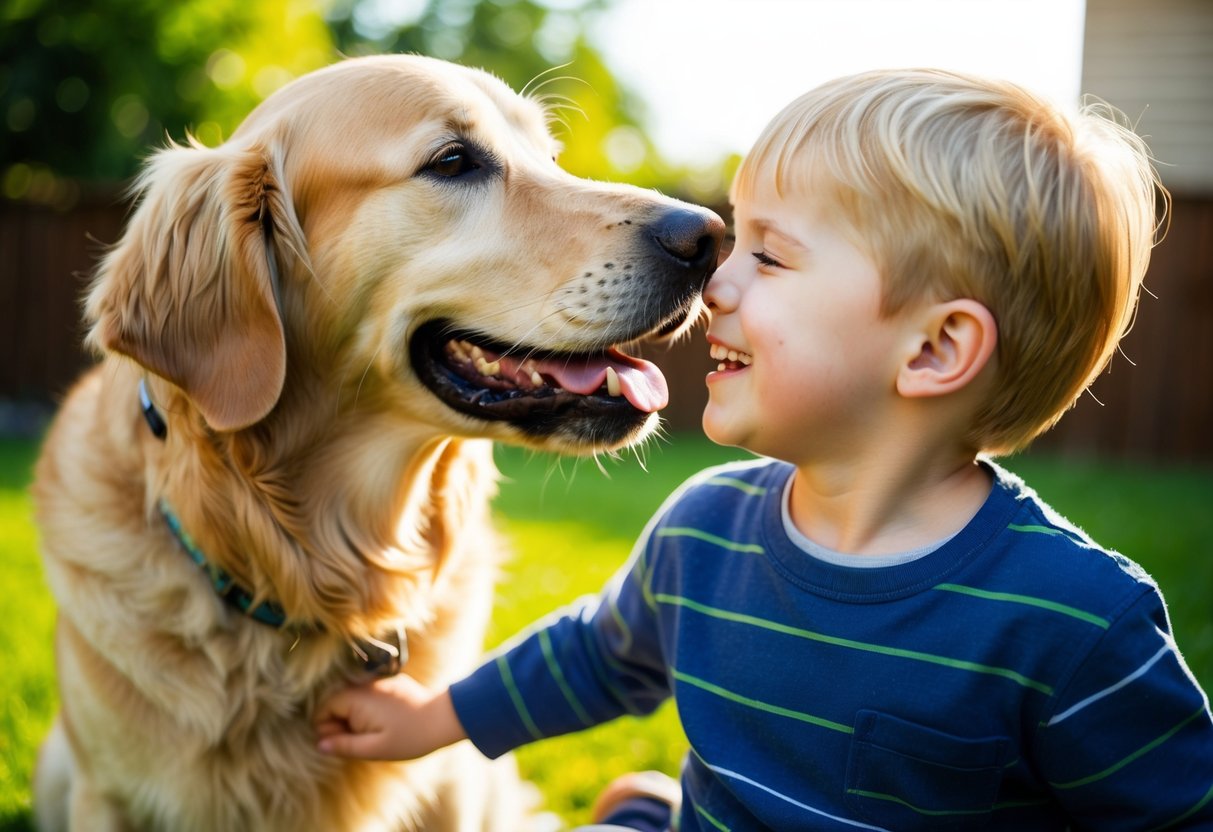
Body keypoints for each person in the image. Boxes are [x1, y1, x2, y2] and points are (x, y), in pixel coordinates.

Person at [315, 68, 1213, 830]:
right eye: (733, 239)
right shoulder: (706, 530)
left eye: (771, 259)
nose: (719, 279)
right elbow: (595, 658)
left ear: (934, 350)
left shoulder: (1077, 622)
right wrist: (431, 719)